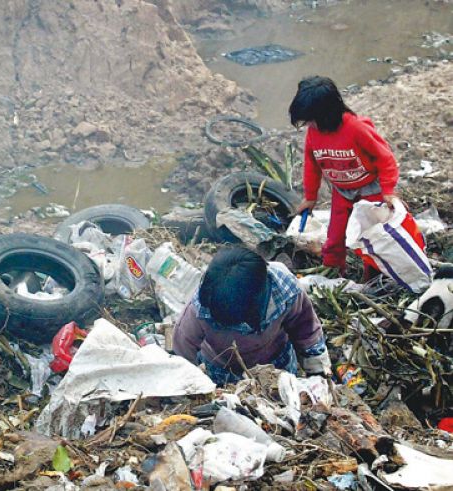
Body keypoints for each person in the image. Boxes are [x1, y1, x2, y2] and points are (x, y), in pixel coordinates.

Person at [290, 75, 401, 277]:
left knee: (372, 235)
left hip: (371, 190)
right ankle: (333, 270)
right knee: (334, 237)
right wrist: (310, 197)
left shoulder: (356, 128)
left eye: (311, 120)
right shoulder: (313, 134)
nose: (309, 125)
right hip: (342, 192)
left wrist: (388, 191)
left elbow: (385, 158)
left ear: (326, 114)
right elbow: (311, 165)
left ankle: (373, 275)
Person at [172, 248, 331, 385]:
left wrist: (317, 374)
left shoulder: (286, 292)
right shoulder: (200, 307)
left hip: (277, 367)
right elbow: (182, 355)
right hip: (222, 373)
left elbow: (307, 331)